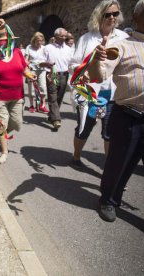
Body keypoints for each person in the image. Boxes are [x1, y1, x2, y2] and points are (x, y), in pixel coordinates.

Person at [89, 0, 144, 222]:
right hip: (128, 115)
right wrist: (96, 59)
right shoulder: (122, 45)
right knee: (119, 164)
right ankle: (108, 200)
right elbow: (98, 76)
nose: (112, 17)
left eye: (115, 14)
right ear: (137, 16)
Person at [69, 0, 128, 169]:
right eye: (107, 14)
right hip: (89, 93)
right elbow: (73, 64)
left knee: (110, 135)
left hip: (114, 95)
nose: (112, 17)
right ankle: (76, 156)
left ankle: (109, 171)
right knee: (83, 129)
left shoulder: (124, 38)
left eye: (115, 14)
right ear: (99, 15)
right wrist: (83, 73)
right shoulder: (87, 39)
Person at [0, 25, 37, 164]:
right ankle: (4, 151)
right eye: (1, 42)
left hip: (17, 96)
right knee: (2, 125)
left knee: (17, 124)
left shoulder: (17, 52)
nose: (4, 44)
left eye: (6, 41)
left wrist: (29, 74)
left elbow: (24, 68)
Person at [42, 27, 74, 130]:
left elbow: (72, 63)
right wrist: (46, 63)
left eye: (65, 36)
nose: (64, 38)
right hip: (52, 74)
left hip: (64, 74)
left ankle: (52, 115)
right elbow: (40, 62)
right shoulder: (47, 48)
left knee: (59, 97)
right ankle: (56, 120)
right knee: (52, 96)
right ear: (56, 36)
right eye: (62, 36)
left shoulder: (69, 49)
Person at [25, 32, 48, 113]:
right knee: (32, 89)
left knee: (43, 87)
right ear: (34, 40)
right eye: (38, 41)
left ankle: (42, 106)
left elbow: (47, 59)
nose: (39, 42)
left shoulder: (44, 48)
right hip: (32, 70)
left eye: (41, 41)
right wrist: (27, 66)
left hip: (42, 69)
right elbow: (26, 60)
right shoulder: (29, 47)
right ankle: (32, 105)